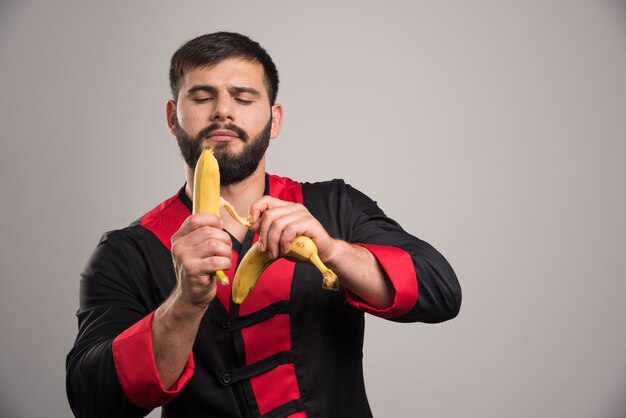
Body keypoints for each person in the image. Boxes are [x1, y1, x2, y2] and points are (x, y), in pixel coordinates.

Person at [66, 32, 461, 418]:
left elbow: (441, 291)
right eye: (202, 97)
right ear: (173, 118)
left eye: (243, 97)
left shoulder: (335, 206)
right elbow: (94, 402)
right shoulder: (126, 252)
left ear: (274, 120)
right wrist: (184, 303)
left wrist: (333, 251)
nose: (223, 111)